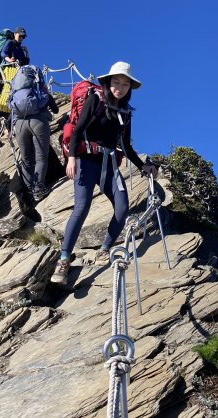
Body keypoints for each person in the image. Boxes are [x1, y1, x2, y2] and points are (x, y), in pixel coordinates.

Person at [50, 61, 157, 286]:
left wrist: (142, 166)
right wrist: (70, 158)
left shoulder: (125, 113)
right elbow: (78, 128)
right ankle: (63, 259)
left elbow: (125, 146)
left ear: (130, 88)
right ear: (108, 82)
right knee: (82, 206)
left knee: (122, 208)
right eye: (116, 81)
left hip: (108, 163)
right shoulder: (95, 99)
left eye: (125, 84)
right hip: (85, 160)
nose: (120, 87)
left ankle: (104, 248)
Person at [11, 67, 59, 204]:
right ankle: (38, 190)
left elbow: (12, 112)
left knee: (26, 160)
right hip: (38, 121)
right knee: (41, 157)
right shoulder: (40, 89)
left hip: (20, 124)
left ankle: (28, 193)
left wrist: (10, 127)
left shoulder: (16, 93)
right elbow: (55, 109)